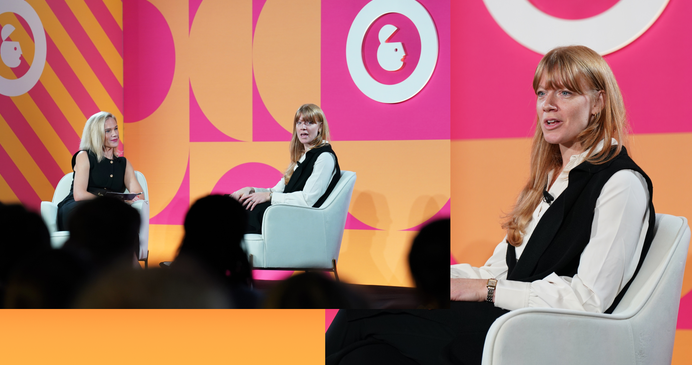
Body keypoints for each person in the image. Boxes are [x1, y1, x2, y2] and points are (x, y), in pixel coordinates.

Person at [326, 45, 655, 365]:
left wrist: (485, 289)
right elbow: (498, 271)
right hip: (505, 320)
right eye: (541, 93)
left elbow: (588, 301)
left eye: (565, 93)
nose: (548, 105)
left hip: (538, 335)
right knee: (366, 354)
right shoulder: (552, 180)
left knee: (361, 315)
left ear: (598, 102)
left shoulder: (621, 183)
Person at [230, 103, 342, 234]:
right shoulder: (303, 158)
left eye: (309, 123)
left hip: (291, 219)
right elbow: (276, 191)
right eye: (299, 123)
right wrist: (251, 190)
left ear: (320, 127)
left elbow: (307, 200)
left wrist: (270, 197)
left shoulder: (324, 157)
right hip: (280, 212)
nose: (303, 127)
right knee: (228, 204)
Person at [56, 111, 144, 231]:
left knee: (122, 216)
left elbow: (139, 195)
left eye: (116, 129)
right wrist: (112, 201)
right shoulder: (84, 156)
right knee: (99, 217)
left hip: (109, 209)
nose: (115, 134)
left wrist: (126, 201)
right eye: (108, 131)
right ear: (95, 135)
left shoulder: (123, 164)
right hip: (80, 207)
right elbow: (79, 195)